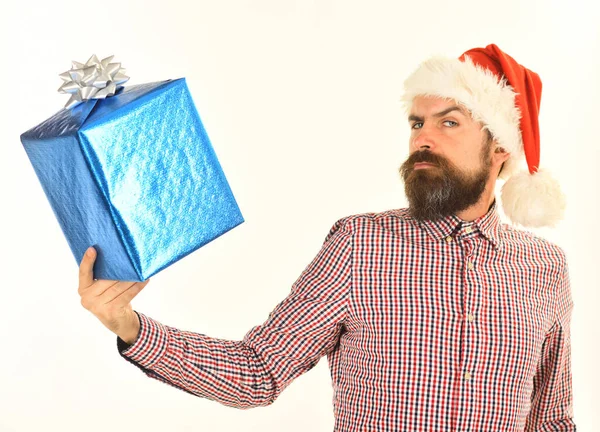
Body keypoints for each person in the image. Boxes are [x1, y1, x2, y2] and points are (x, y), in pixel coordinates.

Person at [78, 44, 575, 431]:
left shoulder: (546, 269)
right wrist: (130, 327)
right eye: (417, 122)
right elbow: (258, 371)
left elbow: (551, 421)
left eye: (450, 122)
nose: (424, 137)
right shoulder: (362, 244)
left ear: (501, 152)